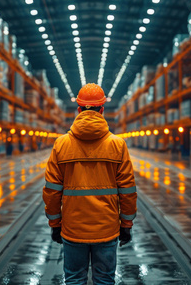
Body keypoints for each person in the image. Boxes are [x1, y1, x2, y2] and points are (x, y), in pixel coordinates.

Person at [42, 83, 137, 285]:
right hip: (107, 228)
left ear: (79, 109)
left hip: (73, 228)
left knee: (75, 279)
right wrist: (126, 225)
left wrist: (55, 224)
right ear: (102, 109)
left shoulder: (61, 144)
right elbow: (127, 191)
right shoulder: (117, 145)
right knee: (104, 280)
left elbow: (52, 191)